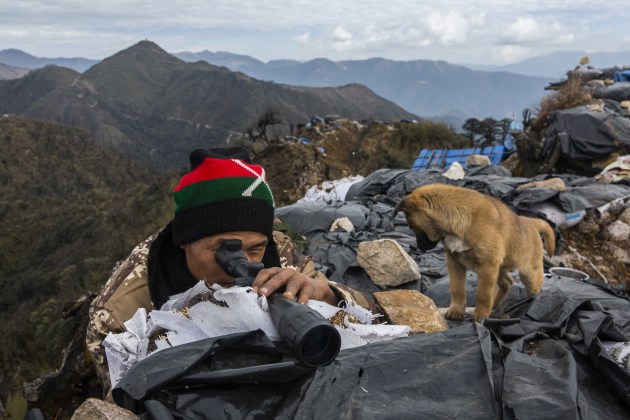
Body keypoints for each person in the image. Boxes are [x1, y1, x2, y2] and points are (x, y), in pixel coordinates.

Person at [86, 147, 373, 400]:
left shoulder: (281, 254)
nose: (243, 262)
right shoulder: (121, 309)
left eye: (256, 248)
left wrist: (327, 293)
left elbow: (372, 313)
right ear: (184, 240)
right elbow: (124, 400)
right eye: (224, 249)